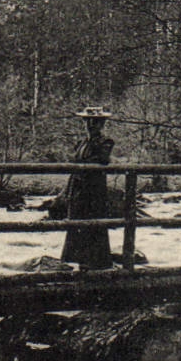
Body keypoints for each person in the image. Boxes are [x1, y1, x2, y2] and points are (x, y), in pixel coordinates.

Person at [62, 107, 115, 271]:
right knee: (77, 223)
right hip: (78, 188)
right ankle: (78, 262)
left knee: (94, 224)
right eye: (88, 121)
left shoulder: (105, 142)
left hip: (94, 190)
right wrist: (68, 191)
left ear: (102, 124)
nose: (92, 125)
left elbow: (101, 160)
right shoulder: (81, 143)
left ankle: (97, 263)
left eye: (96, 122)